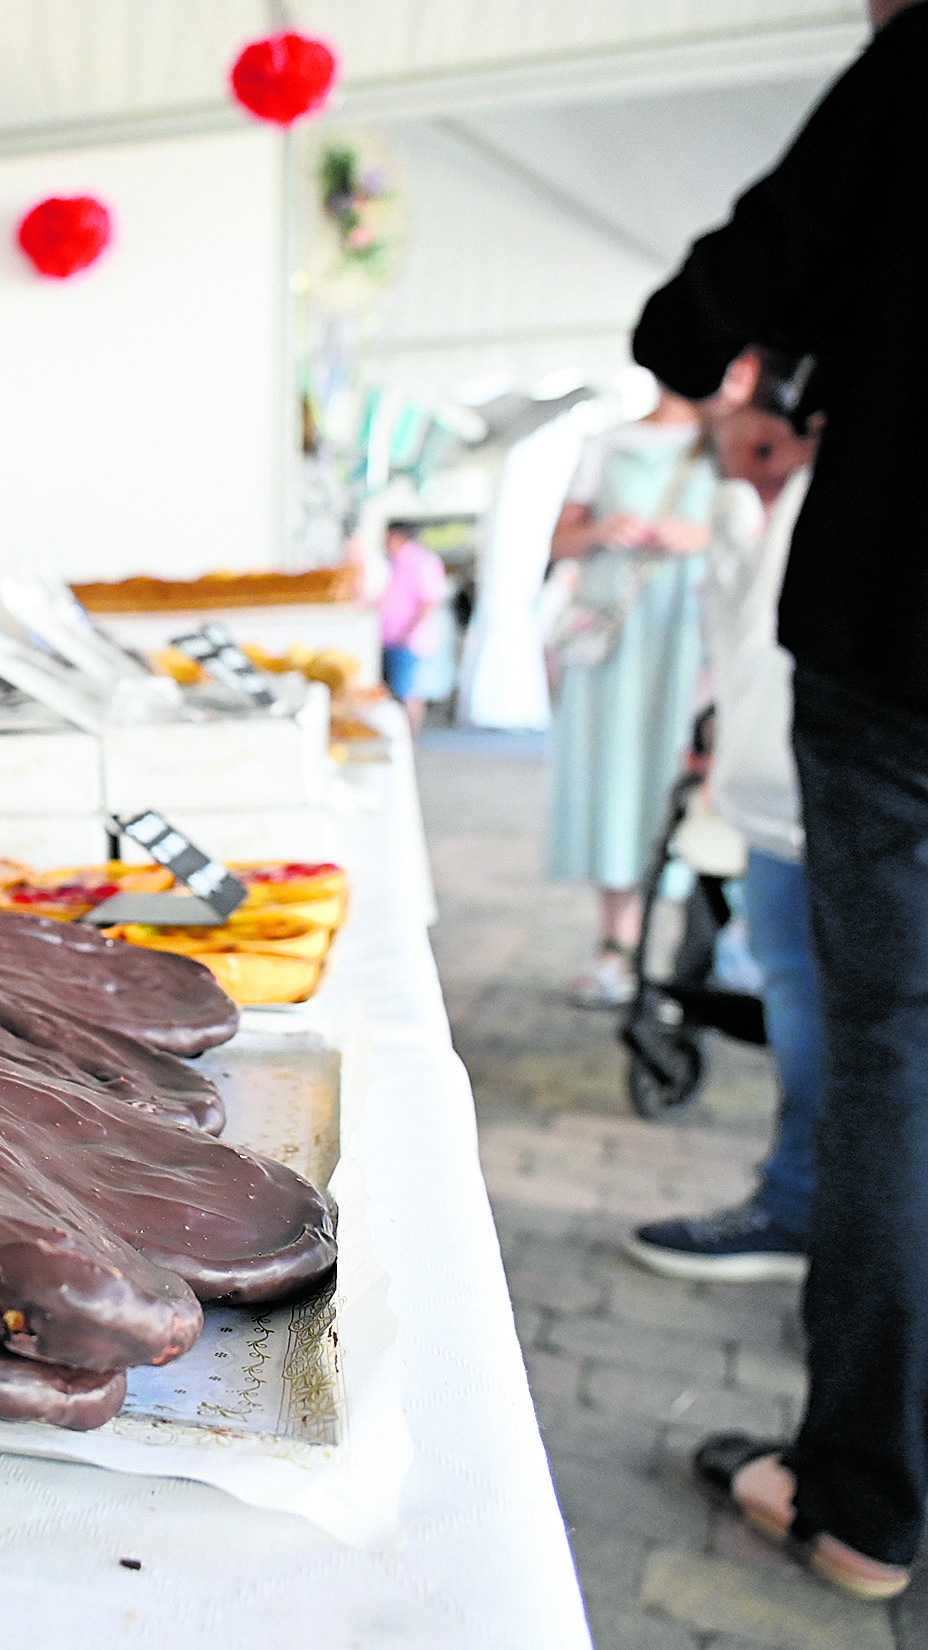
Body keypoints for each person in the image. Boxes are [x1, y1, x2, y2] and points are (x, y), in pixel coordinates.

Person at [629, 0, 928, 1601]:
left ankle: (863, 1497)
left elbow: (709, 309)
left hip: (903, 638)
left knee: (900, 1053)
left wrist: (762, 363)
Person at [627, 357, 820, 1284]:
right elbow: (748, 636)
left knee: (844, 1023)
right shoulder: (769, 502)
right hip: (777, 793)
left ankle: (808, 1209)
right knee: (801, 1002)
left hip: (831, 800)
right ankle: (800, 1198)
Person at [542, 393, 718, 1007]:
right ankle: (617, 944)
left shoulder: (728, 439)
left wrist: (696, 535)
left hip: (692, 633)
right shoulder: (607, 443)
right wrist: (599, 531)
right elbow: (559, 540)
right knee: (612, 780)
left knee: (695, 783)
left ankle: (695, 957)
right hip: (616, 631)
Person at [377, 523, 452, 734]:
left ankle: (410, 739)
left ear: (397, 537)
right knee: (395, 692)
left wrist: (409, 632)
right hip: (391, 637)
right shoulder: (395, 561)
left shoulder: (420, 561)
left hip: (408, 639)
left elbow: (428, 600)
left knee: (409, 692)